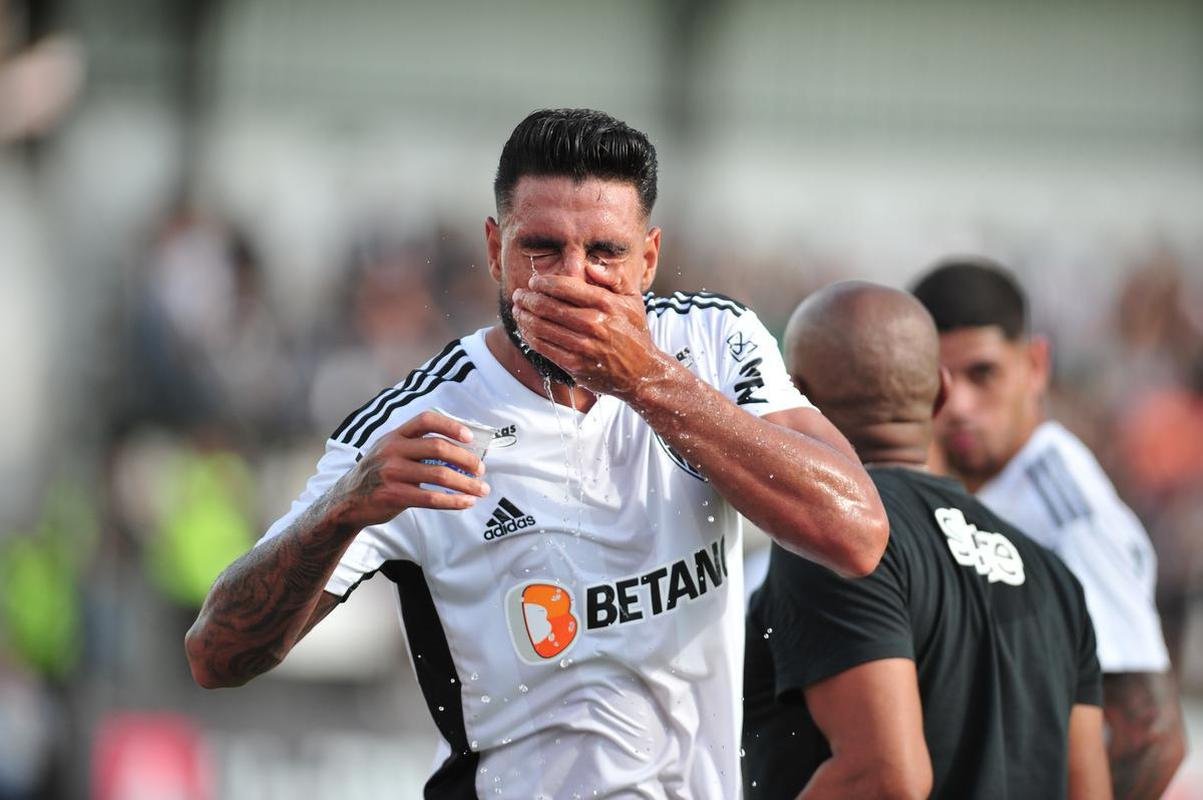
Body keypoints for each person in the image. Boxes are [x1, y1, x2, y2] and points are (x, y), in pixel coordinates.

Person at [185, 108, 889, 798]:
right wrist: (342, 512)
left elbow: (855, 534)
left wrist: (644, 381)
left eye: (606, 253)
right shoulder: (422, 423)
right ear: (495, 251)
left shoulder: (709, 342)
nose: (572, 279)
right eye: (541, 248)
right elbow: (217, 656)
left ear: (648, 259)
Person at [743, 281, 1112, 799]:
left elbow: (883, 776)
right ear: (940, 391)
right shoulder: (1052, 575)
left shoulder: (834, 543)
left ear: (796, 394)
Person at [912, 258, 1187, 800]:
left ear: (1035, 365)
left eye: (982, 374)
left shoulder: (1069, 518)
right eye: (937, 382)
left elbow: (1151, 738)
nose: (959, 406)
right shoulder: (976, 490)